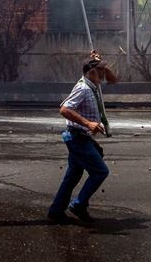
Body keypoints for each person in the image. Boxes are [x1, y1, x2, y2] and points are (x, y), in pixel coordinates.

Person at [48, 51, 117, 224]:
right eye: (100, 70)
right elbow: (64, 109)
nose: (103, 73)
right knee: (100, 172)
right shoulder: (83, 88)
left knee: (73, 176)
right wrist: (88, 124)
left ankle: (56, 211)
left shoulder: (94, 85)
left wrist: (100, 62)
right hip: (77, 138)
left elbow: (113, 80)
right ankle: (78, 205)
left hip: (81, 138)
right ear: (91, 71)